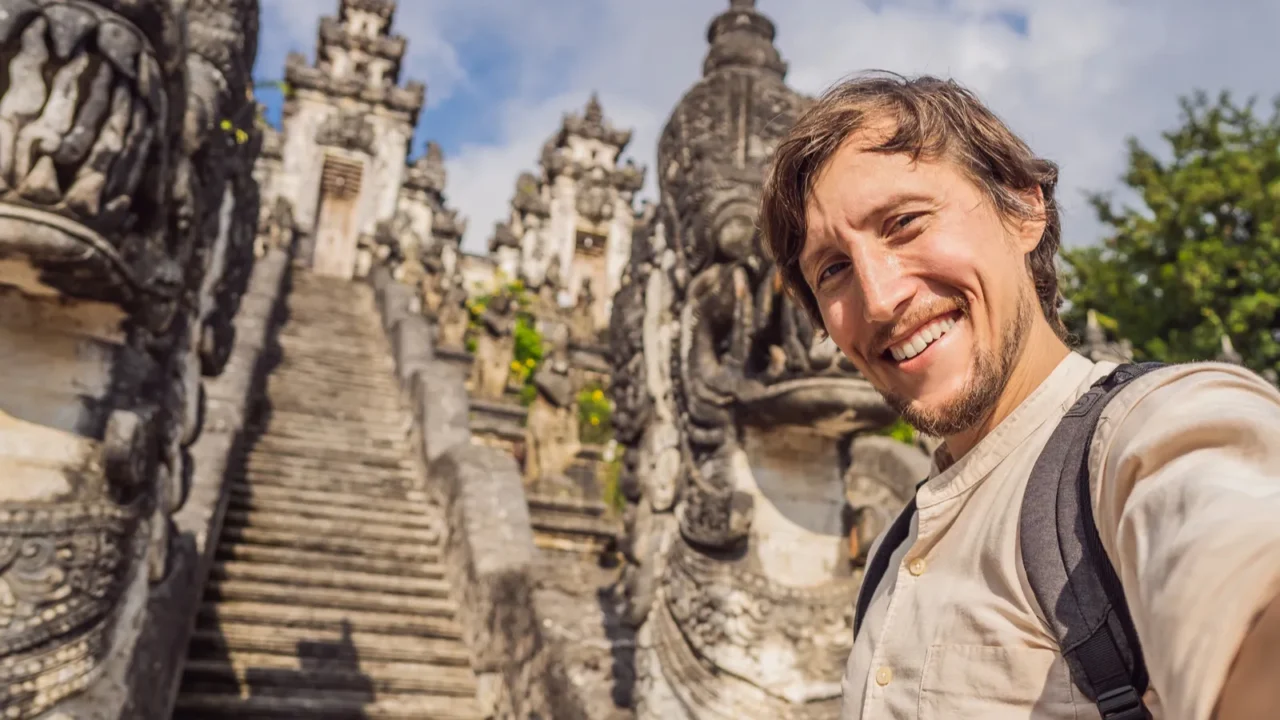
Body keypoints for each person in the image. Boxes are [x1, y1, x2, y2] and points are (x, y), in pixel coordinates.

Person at [759, 72, 1280, 720]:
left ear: (1024, 208)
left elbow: (1239, 561)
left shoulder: (1148, 436)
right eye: (832, 269)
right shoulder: (894, 549)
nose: (880, 297)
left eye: (904, 222)